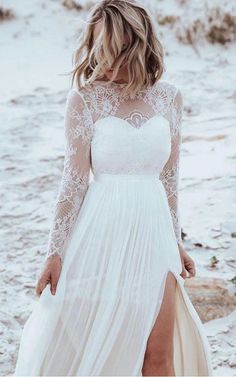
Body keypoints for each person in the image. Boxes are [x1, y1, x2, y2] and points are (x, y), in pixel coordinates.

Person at [14, 0, 213, 375]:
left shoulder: (169, 98)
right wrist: (54, 252)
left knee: (157, 356)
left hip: (154, 234)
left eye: (113, 48)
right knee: (104, 350)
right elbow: (72, 182)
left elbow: (170, 181)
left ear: (136, 45)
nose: (103, 59)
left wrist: (176, 241)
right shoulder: (85, 99)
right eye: (97, 46)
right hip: (101, 234)